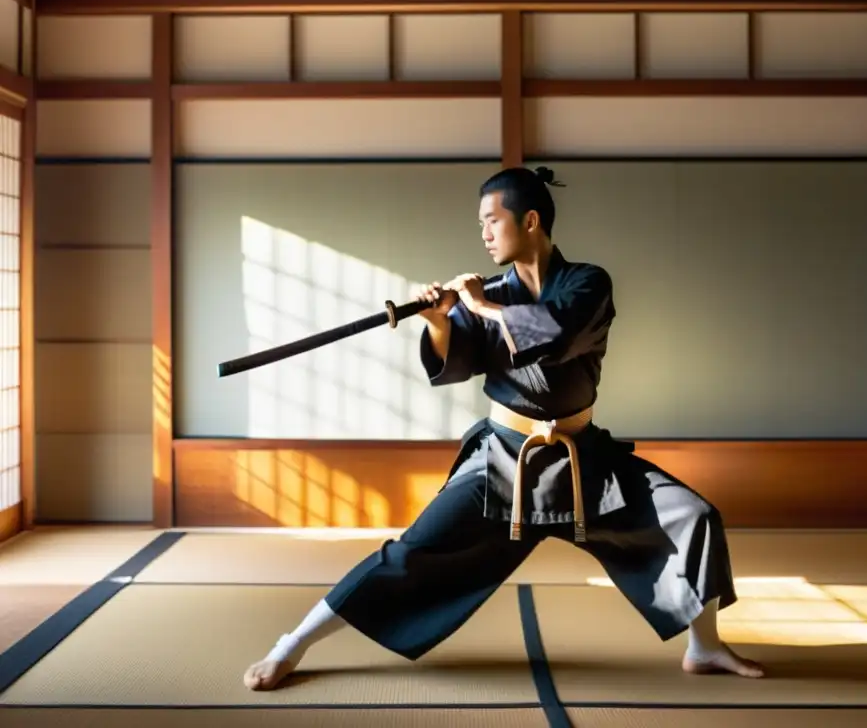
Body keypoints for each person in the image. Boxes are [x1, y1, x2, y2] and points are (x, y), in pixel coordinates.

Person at [243, 165, 764, 691]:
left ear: (530, 220)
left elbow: (557, 337)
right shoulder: (488, 293)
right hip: (504, 460)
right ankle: (293, 643)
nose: (484, 233)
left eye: (492, 220)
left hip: (583, 459)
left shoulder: (587, 283)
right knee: (408, 553)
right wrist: (440, 321)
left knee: (692, 515)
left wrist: (481, 306)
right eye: (481, 224)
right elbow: (456, 365)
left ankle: (706, 646)